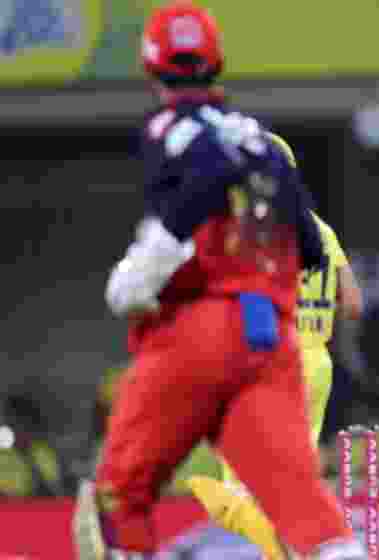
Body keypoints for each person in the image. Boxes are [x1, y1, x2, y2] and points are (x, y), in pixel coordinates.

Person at [72, 3, 357, 558]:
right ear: (218, 61)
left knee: (118, 496)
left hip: (201, 331)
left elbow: (182, 210)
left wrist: (130, 282)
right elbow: (307, 245)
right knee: (305, 506)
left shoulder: (168, 127)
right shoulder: (260, 141)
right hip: (270, 339)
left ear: (150, 66)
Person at [186, 132, 364, 560]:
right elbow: (354, 304)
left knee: (238, 490)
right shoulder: (321, 231)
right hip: (316, 363)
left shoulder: (251, 230)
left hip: (269, 364)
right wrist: (313, 312)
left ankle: (291, 552)